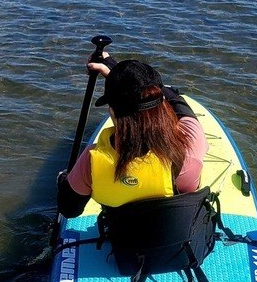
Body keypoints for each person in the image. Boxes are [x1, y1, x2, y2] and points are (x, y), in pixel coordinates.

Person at [57, 53, 208, 219]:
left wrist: (64, 180)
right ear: (163, 104)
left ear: (112, 111)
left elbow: (69, 210)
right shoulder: (187, 148)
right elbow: (180, 106)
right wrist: (116, 68)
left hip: (121, 234)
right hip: (172, 232)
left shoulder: (91, 160)